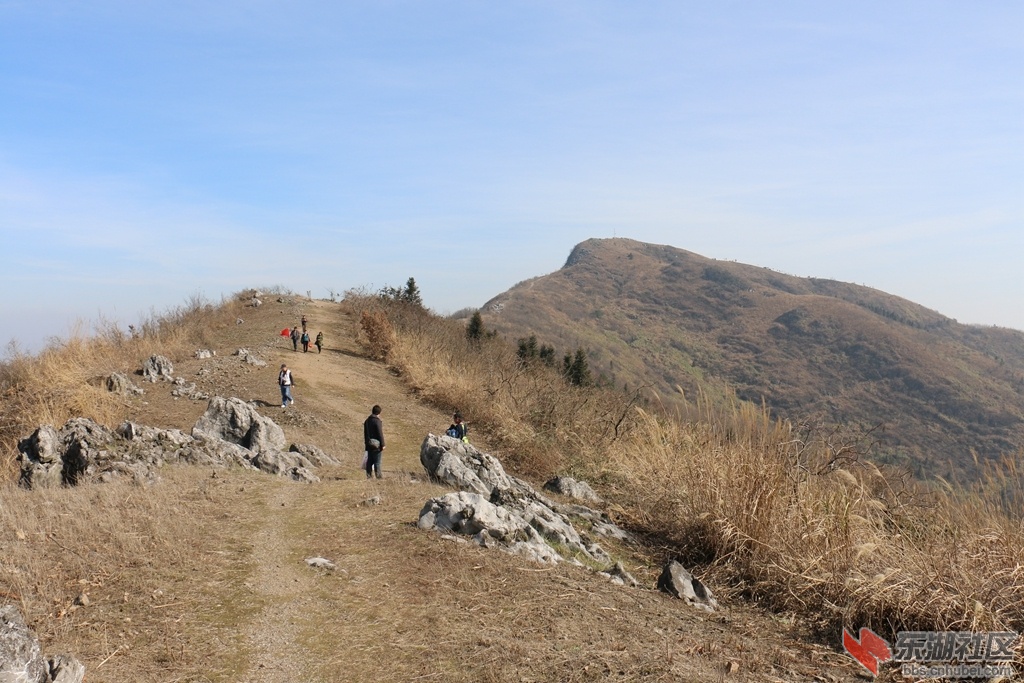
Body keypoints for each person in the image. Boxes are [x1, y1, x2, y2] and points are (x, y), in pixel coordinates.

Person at [363, 404, 385, 479]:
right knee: (377, 462)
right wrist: (383, 444)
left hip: (369, 444)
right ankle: (378, 477)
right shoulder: (377, 421)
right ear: (379, 413)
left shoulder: (367, 421)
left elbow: (365, 433)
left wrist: (366, 443)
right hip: (377, 445)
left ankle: (369, 476)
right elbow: (380, 433)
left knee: (369, 461)